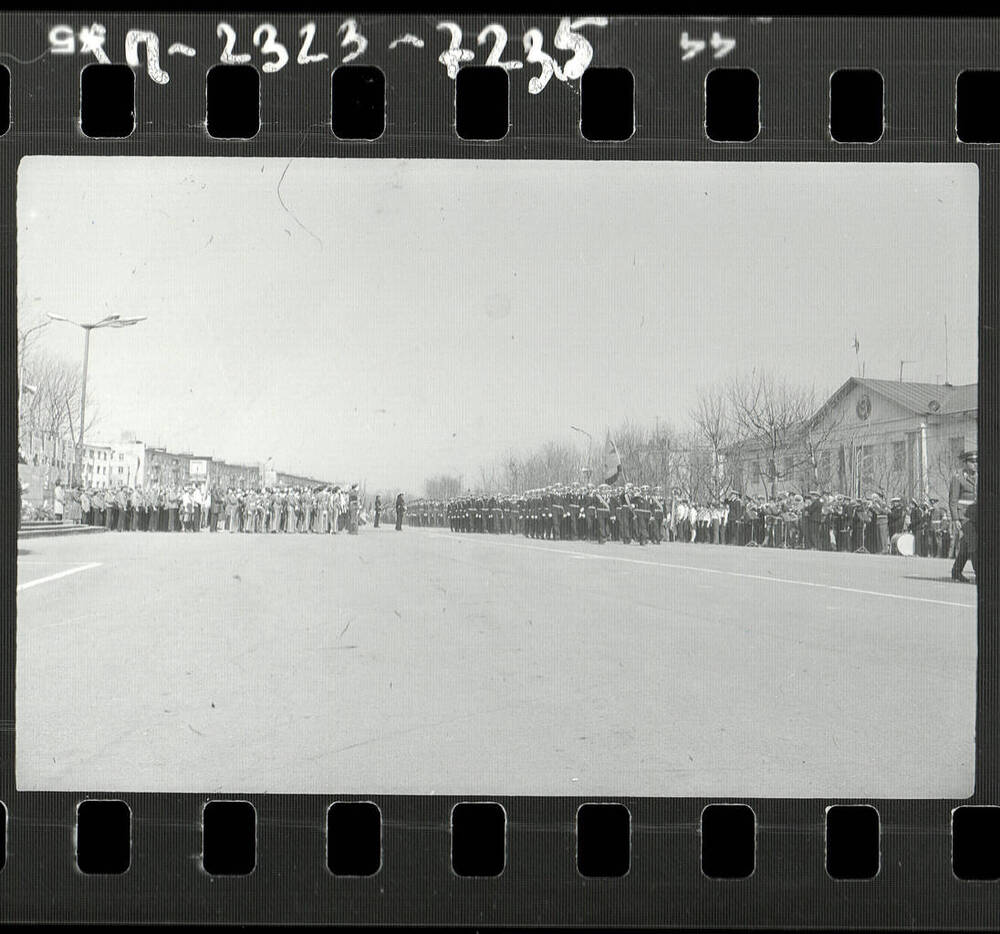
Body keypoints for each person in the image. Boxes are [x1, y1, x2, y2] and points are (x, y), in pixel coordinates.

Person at [952, 498, 977, 583]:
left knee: (967, 544)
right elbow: (953, 498)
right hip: (966, 515)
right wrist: (955, 518)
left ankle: (956, 571)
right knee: (973, 543)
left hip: (975, 514)